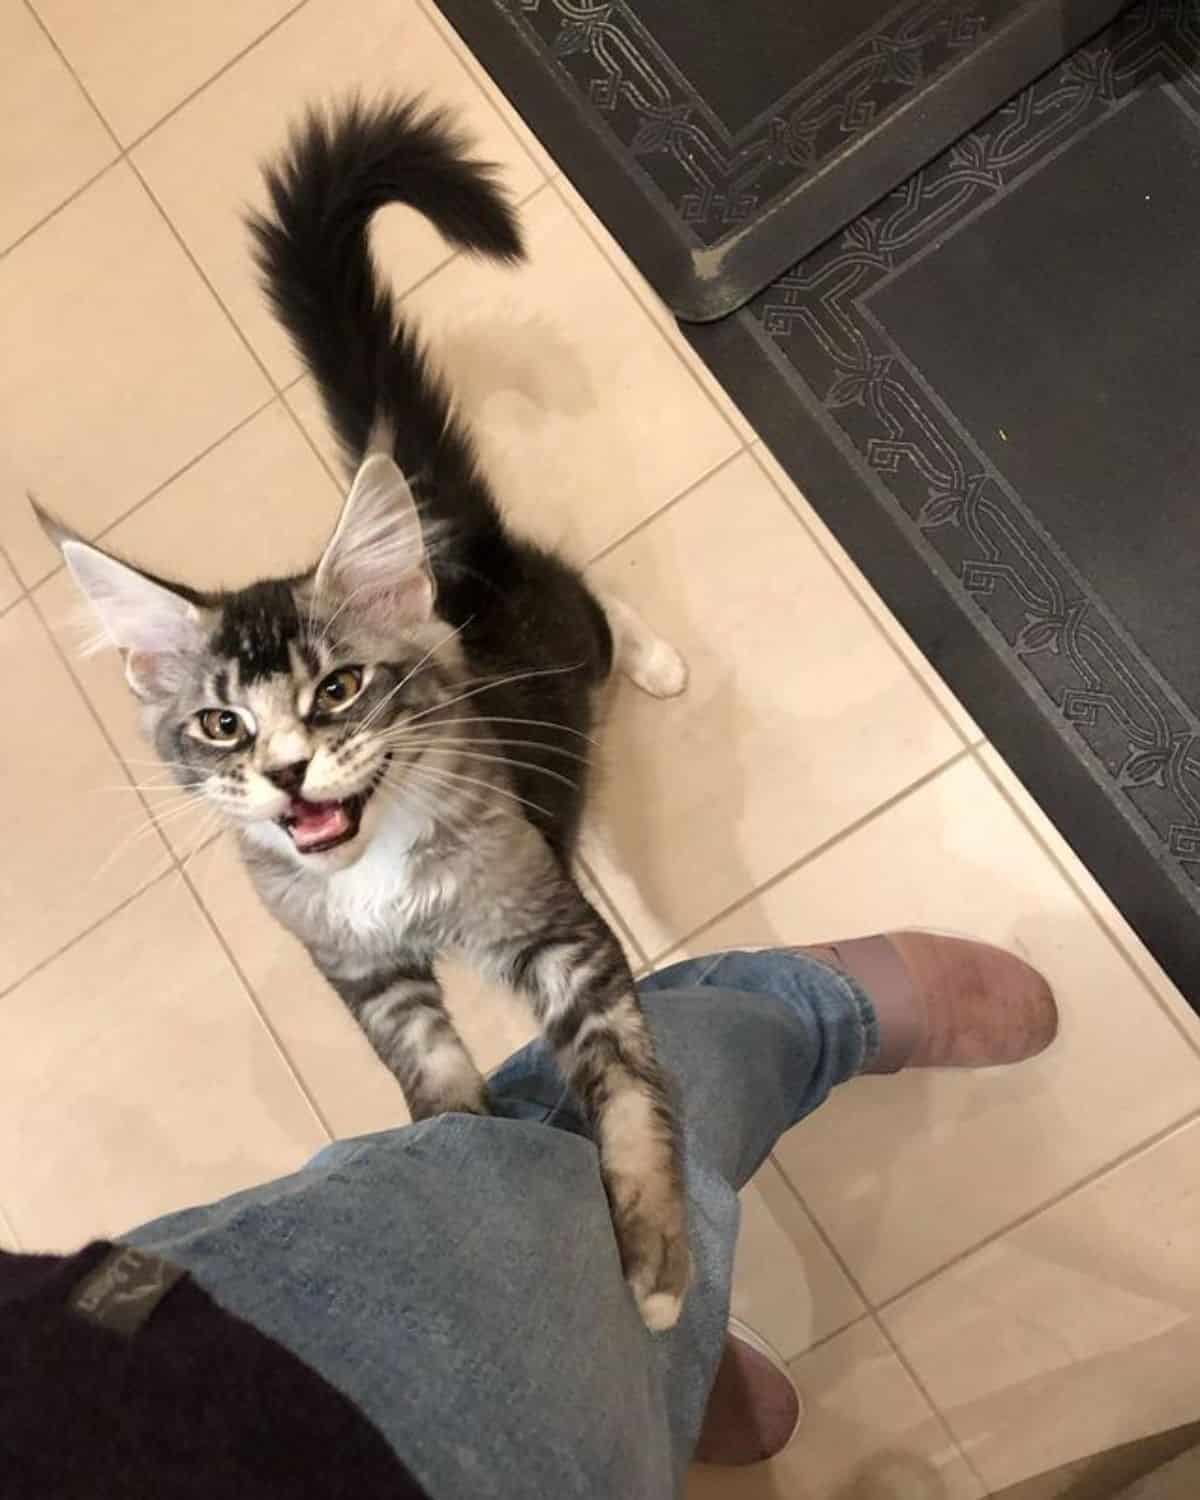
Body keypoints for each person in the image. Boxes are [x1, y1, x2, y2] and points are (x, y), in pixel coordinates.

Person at [2, 932, 1056, 1498]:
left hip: (132, 1396)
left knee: (523, 1198)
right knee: (573, 1354)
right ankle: (644, 1378)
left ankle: (796, 1012)